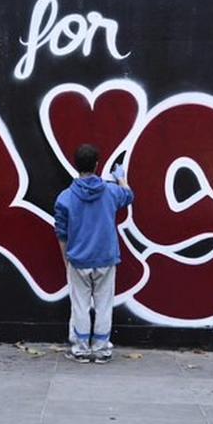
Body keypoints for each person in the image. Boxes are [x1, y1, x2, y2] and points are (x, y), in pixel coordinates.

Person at [54, 144, 134, 364]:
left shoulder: (65, 198)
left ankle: (80, 349)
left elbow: (62, 234)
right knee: (104, 304)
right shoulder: (111, 192)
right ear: (97, 164)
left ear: (75, 165)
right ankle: (100, 349)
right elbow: (128, 196)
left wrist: (66, 260)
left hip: (78, 260)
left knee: (79, 305)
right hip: (106, 258)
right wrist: (121, 178)